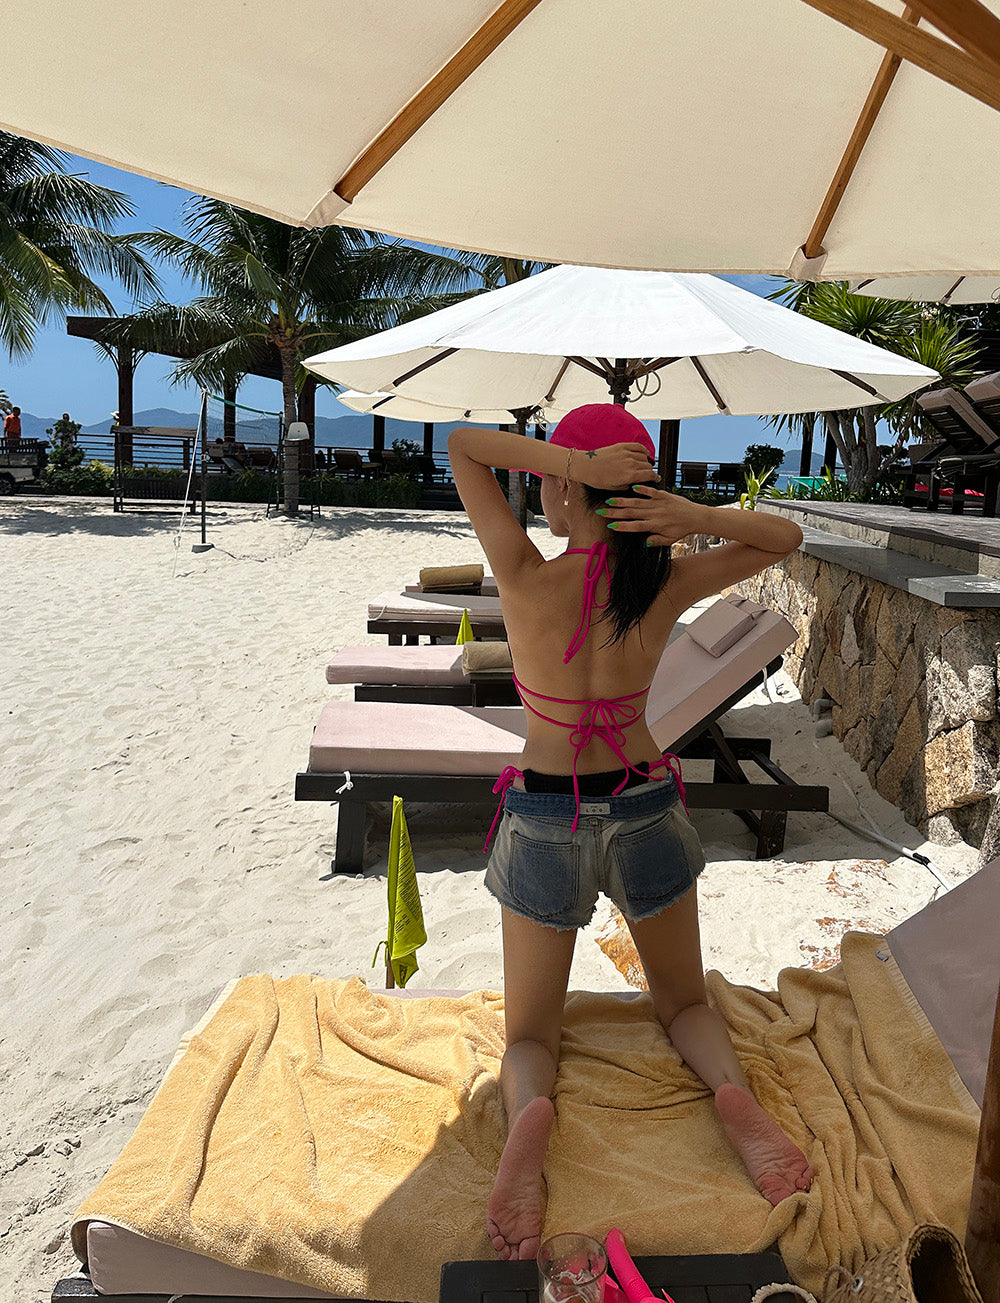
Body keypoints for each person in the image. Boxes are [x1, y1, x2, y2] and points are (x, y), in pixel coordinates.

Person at [447, 404, 812, 1263]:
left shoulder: (523, 574)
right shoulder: (666, 582)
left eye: (547, 480)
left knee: (533, 1035)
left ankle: (527, 1125)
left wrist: (578, 468)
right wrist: (691, 517)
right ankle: (730, 1092)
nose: (539, 489)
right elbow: (784, 535)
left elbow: (465, 445)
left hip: (546, 808)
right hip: (644, 800)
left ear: (564, 490)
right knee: (682, 1002)